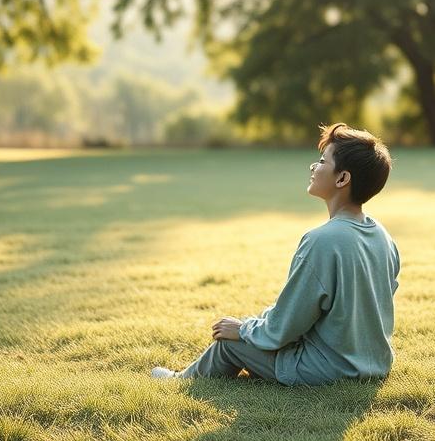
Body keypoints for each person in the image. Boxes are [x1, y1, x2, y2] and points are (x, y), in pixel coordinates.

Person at [151, 122, 400, 386]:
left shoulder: (322, 241)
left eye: (322, 161)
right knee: (255, 332)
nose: (313, 167)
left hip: (330, 370)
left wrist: (243, 329)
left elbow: (286, 326)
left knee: (229, 344)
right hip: (375, 366)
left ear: (342, 178)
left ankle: (179, 381)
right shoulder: (383, 237)